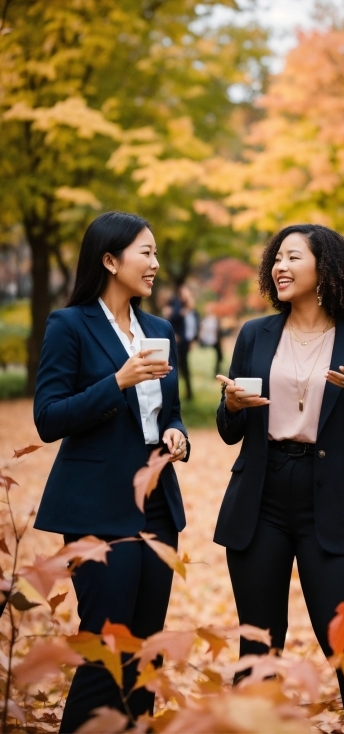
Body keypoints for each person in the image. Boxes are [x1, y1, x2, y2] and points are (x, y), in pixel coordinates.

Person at [215, 224, 344, 730]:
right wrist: (229, 405)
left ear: (325, 268)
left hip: (332, 498)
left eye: (292, 257)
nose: (279, 266)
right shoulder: (254, 334)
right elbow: (229, 429)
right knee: (258, 643)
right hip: (261, 494)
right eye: (276, 258)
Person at [34, 212, 190, 732]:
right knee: (107, 641)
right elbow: (49, 417)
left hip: (157, 504)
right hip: (95, 504)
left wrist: (177, 434)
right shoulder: (69, 325)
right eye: (145, 252)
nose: (155, 263)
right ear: (109, 259)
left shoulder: (159, 329)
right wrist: (117, 382)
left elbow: (168, 409)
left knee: (146, 649)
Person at [164, 283, 200, 400]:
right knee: (174, 367)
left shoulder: (193, 312)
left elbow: (195, 327)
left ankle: (189, 393)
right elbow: (171, 319)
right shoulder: (176, 306)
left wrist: (193, 340)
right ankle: (173, 393)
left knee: (184, 367)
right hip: (177, 341)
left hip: (186, 342)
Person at [198, 309, 223, 377]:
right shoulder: (206, 321)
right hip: (208, 341)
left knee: (218, 357)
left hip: (214, 341)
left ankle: (216, 371)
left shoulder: (214, 320)